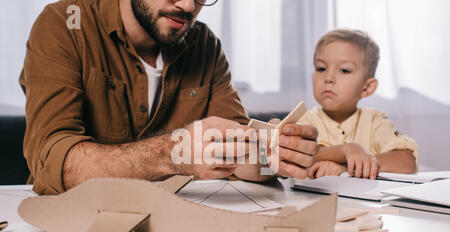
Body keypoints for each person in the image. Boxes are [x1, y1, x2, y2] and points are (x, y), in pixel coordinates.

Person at [20, 0, 318, 195]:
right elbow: (52, 163)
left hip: (174, 230)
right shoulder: (65, 24)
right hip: (71, 228)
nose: (188, 5)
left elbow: (235, 154)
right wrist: (174, 152)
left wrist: (272, 156)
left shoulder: (204, 44)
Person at [297, 29, 418, 180]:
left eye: (344, 70)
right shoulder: (305, 121)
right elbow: (300, 155)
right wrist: (348, 150)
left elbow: (406, 161)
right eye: (321, 68)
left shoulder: (374, 121)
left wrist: (347, 168)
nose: (328, 77)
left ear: (367, 87)